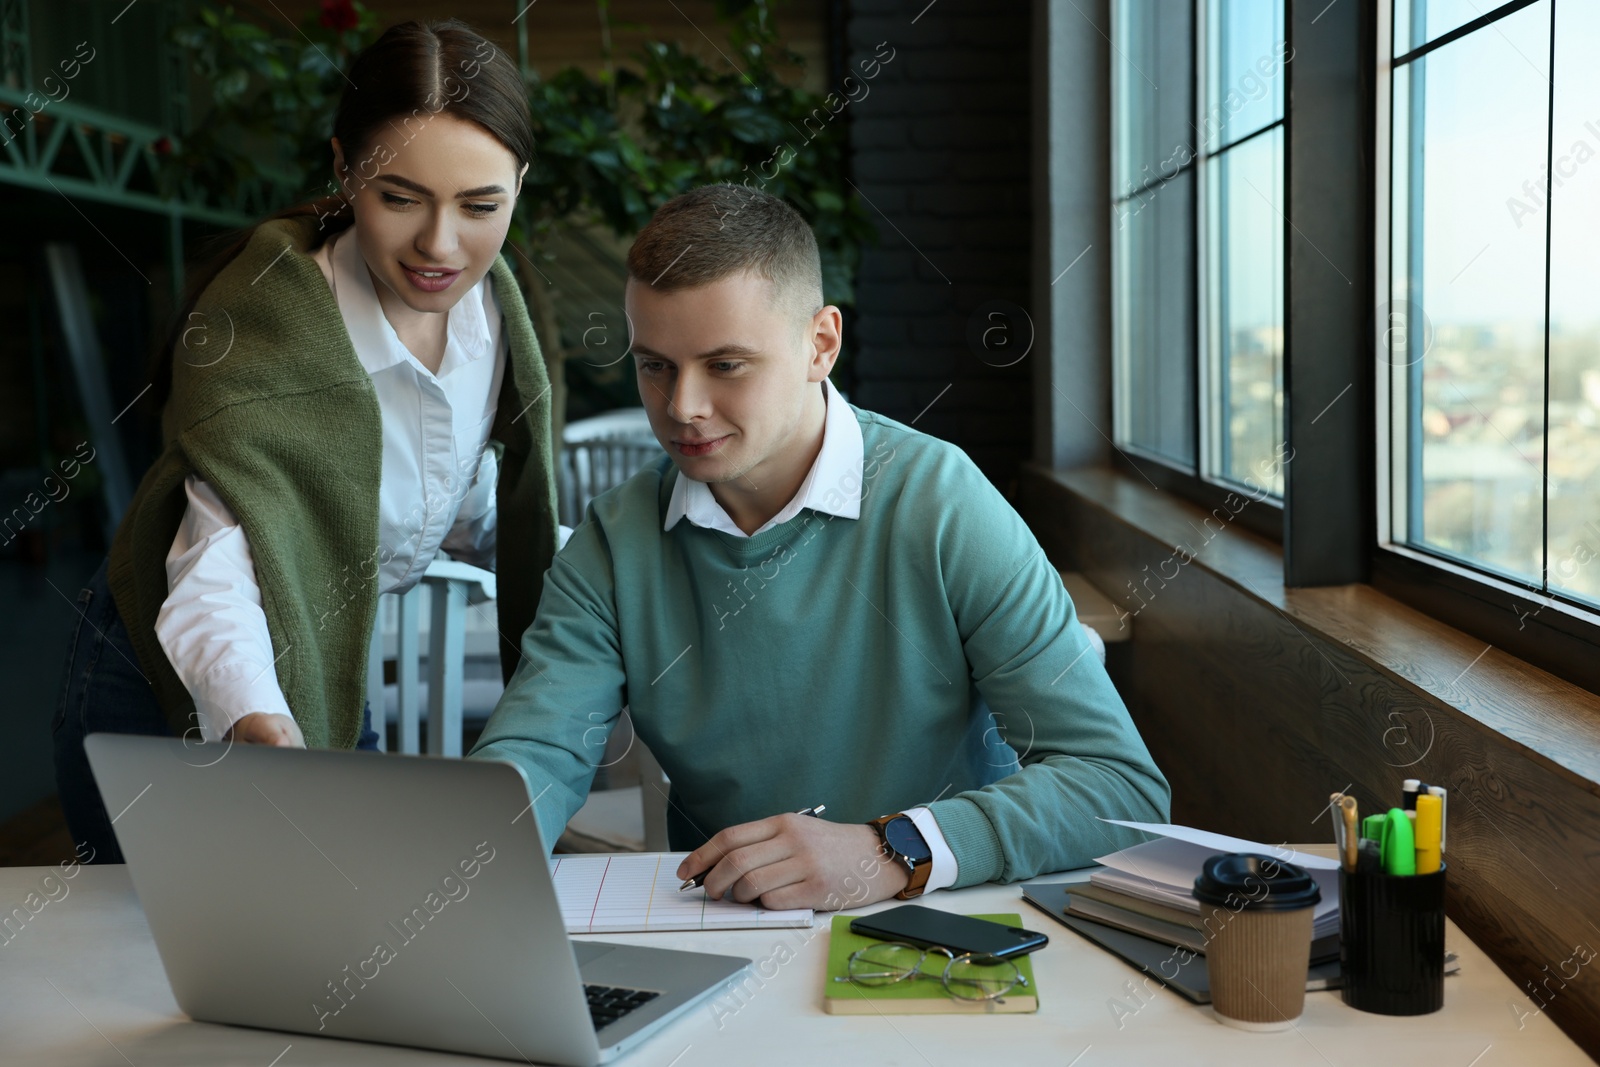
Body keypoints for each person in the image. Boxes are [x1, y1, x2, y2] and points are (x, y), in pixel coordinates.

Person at [468, 183, 1170, 910]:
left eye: (726, 365)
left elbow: (1119, 786)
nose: (683, 407)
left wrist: (890, 846)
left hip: (948, 920)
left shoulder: (941, 501)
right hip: (730, 931)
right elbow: (537, 754)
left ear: (820, 344)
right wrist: (455, 857)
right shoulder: (615, 541)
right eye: (655, 365)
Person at [53, 19, 560, 862]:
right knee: (153, 969)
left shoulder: (500, 315)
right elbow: (213, 563)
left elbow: (457, 506)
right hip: (165, 672)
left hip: (322, 654)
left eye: (480, 206)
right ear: (343, 168)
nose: (441, 245)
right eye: (399, 198)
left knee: (327, 952)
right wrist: (260, 720)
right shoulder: (273, 320)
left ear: (519, 187)